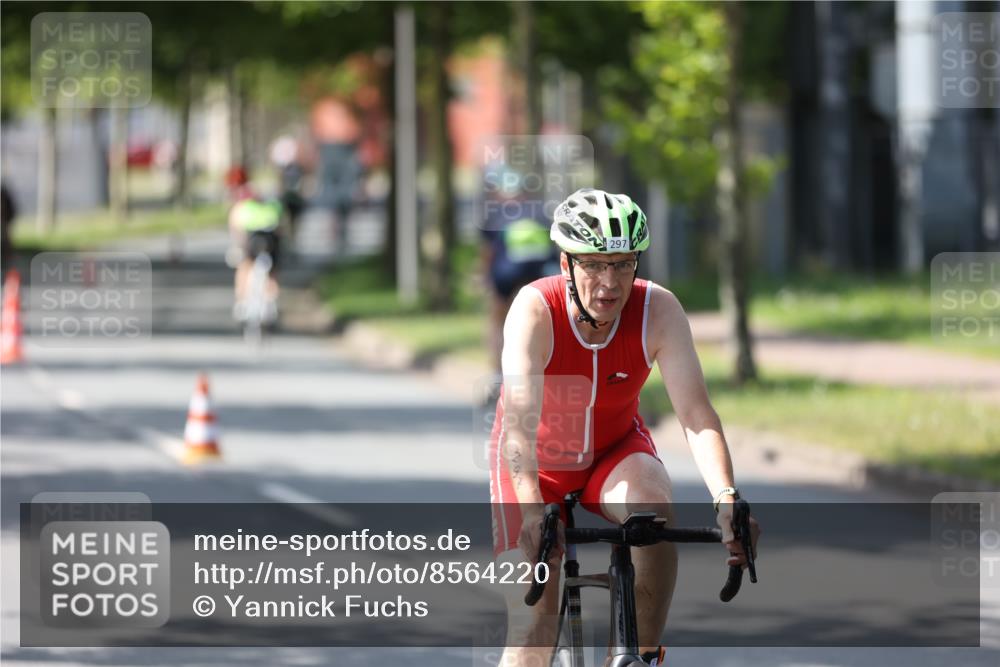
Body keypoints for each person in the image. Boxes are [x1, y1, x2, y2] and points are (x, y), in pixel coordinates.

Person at [489, 188, 760, 666]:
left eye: (622, 263)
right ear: (566, 263)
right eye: (594, 264)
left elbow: (696, 415)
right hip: (538, 467)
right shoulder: (535, 310)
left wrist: (727, 498)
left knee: (652, 509)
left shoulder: (659, 310)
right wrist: (534, 513)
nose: (609, 282)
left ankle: (642, 655)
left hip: (612, 453)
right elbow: (518, 426)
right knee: (535, 622)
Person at [479, 165, 557, 405]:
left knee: (497, 319)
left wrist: (483, 278)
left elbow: (488, 253)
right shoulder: (540, 212)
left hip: (507, 273)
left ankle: (497, 377)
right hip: (541, 271)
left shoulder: (496, 213)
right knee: (547, 321)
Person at [227, 184, 285, 324]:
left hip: (251, 243)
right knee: (272, 270)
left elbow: (235, 228)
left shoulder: (242, 207)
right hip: (270, 243)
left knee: (244, 266)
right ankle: (271, 301)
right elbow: (282, 228)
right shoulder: (274, 206)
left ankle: (241, 301)